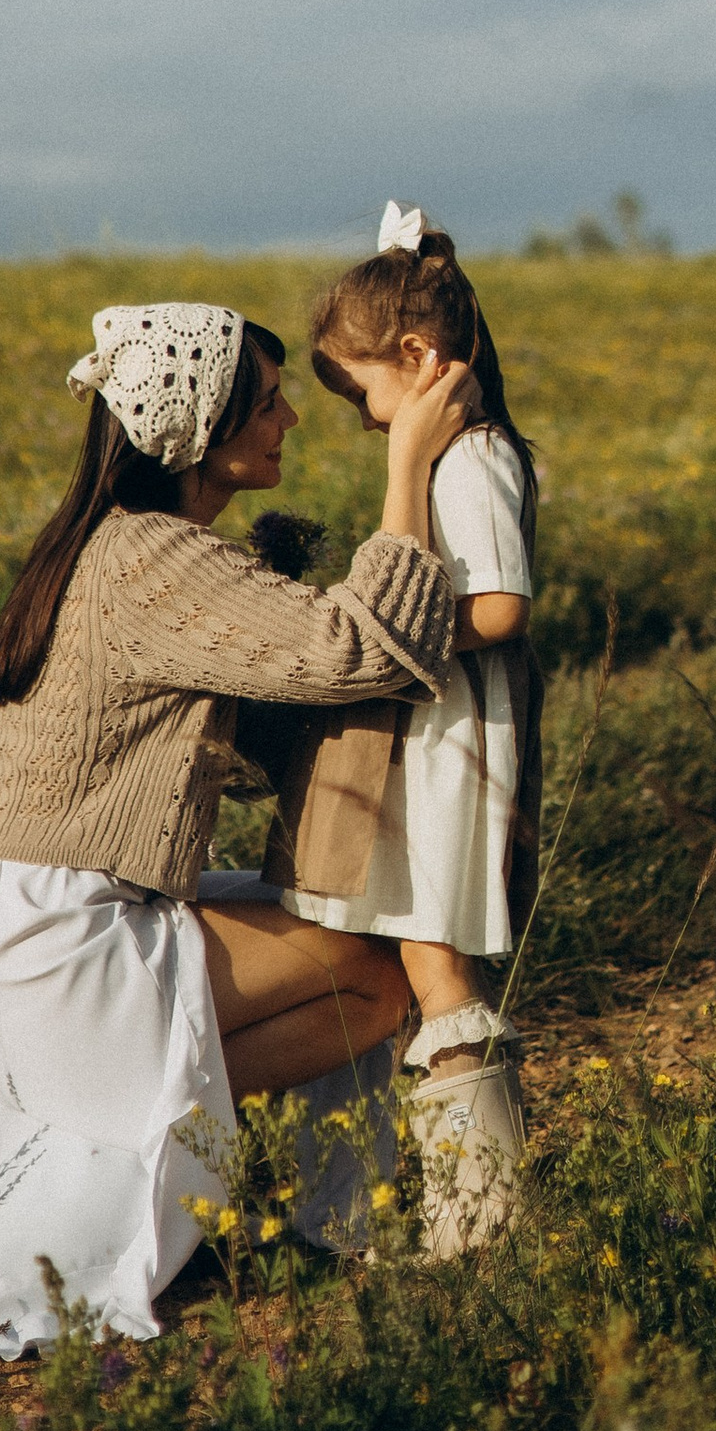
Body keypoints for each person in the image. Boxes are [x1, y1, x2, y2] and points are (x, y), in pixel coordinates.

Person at [0, 297, 475, 1357]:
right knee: (370, 974)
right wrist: (408, 465)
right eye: (266, 406)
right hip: (59, 944)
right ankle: (262, 1189)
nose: (290, 425)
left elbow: (266, 708)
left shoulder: (97, 548)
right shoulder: (152, 557)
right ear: (201, 430)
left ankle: (189, 1148)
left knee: (315, 941)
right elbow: (366, 649)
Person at [268, 206, 540, 1244]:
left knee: (436, 969)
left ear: (418, 359)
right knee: (396, 961)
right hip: (423, 741)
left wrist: (397, 626)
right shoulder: (451, 456)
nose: (369, 419)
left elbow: (503, 605)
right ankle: (374, 1207)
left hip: (450, 747)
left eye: (365, 395)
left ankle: (482, 1226)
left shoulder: (472, 460)